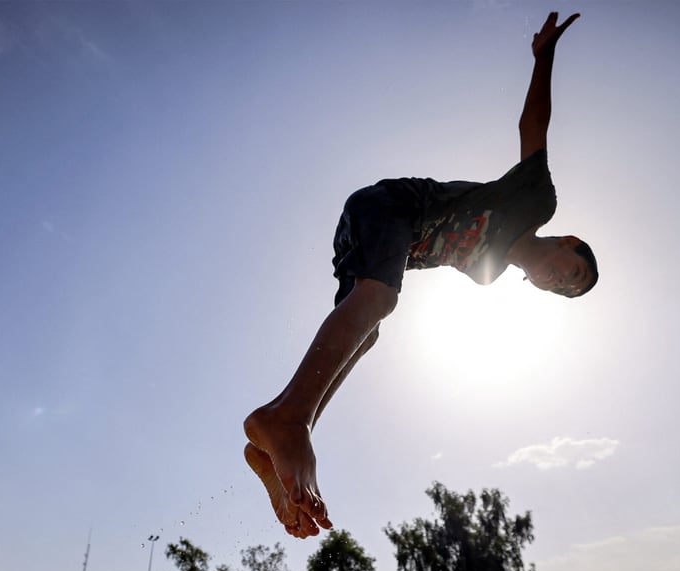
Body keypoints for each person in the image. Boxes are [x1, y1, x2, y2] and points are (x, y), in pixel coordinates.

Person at [244, 12, 596, 539]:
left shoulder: (489, 275)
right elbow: (533, 128)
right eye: (574, 273)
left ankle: (276, 439)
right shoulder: (536, 202)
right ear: (569, 242)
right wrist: (544, 57)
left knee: (368, 332)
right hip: (390, 205)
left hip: (365, 240)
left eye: (567, 292)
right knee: (380, 301)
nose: (563, 284)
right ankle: (290, 421)